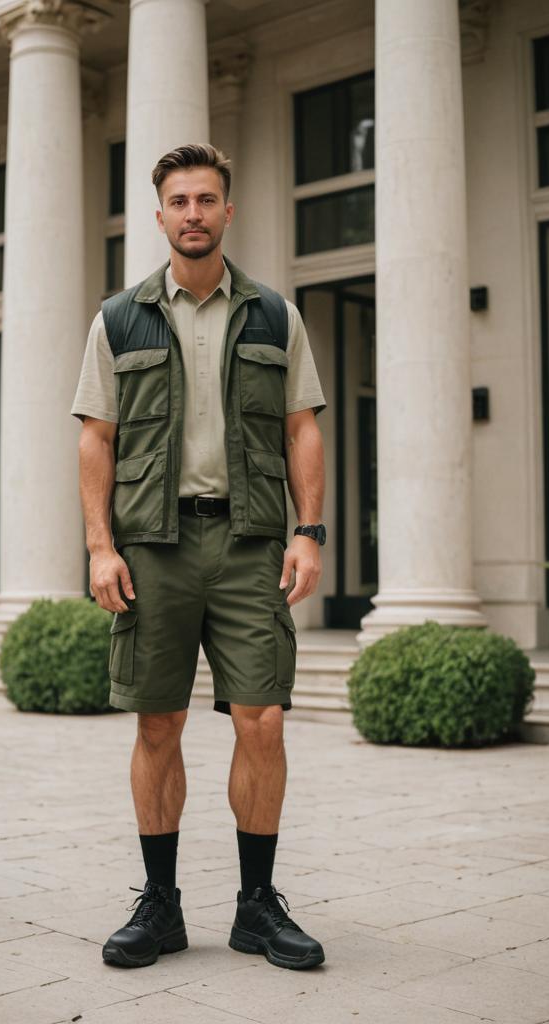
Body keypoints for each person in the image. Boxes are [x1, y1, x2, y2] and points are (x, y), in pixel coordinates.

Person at [71, 143, 328, 971]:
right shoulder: (119, 318)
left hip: (251, 542)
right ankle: (162, 905)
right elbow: (96, 440)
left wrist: (309, 530)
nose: (193, 213)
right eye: (178, 201)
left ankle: (257, 907)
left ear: (227, 211)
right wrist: (99, 546)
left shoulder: (274, 316)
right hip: (154, 546)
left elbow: (302, 427)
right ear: (159, 216)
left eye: (206, 199)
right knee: (158, 721)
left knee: (264, 719)